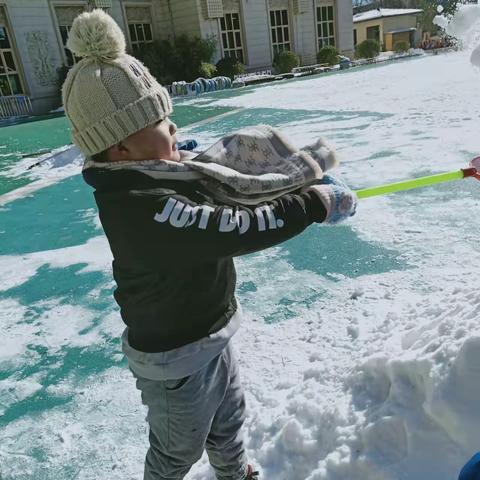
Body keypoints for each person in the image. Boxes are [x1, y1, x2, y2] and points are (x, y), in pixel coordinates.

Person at [62, 9, 358, 480]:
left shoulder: (156, 174)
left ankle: (235, 473)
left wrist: (293, 182)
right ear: (121, 147)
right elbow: (236, 225)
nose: (174, 129)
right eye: (159, 121)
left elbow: (226, 184)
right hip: (174, 359)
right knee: (177, 451)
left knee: (229, 422)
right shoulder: (140, 206)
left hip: (211, 332)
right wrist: (310, 206)